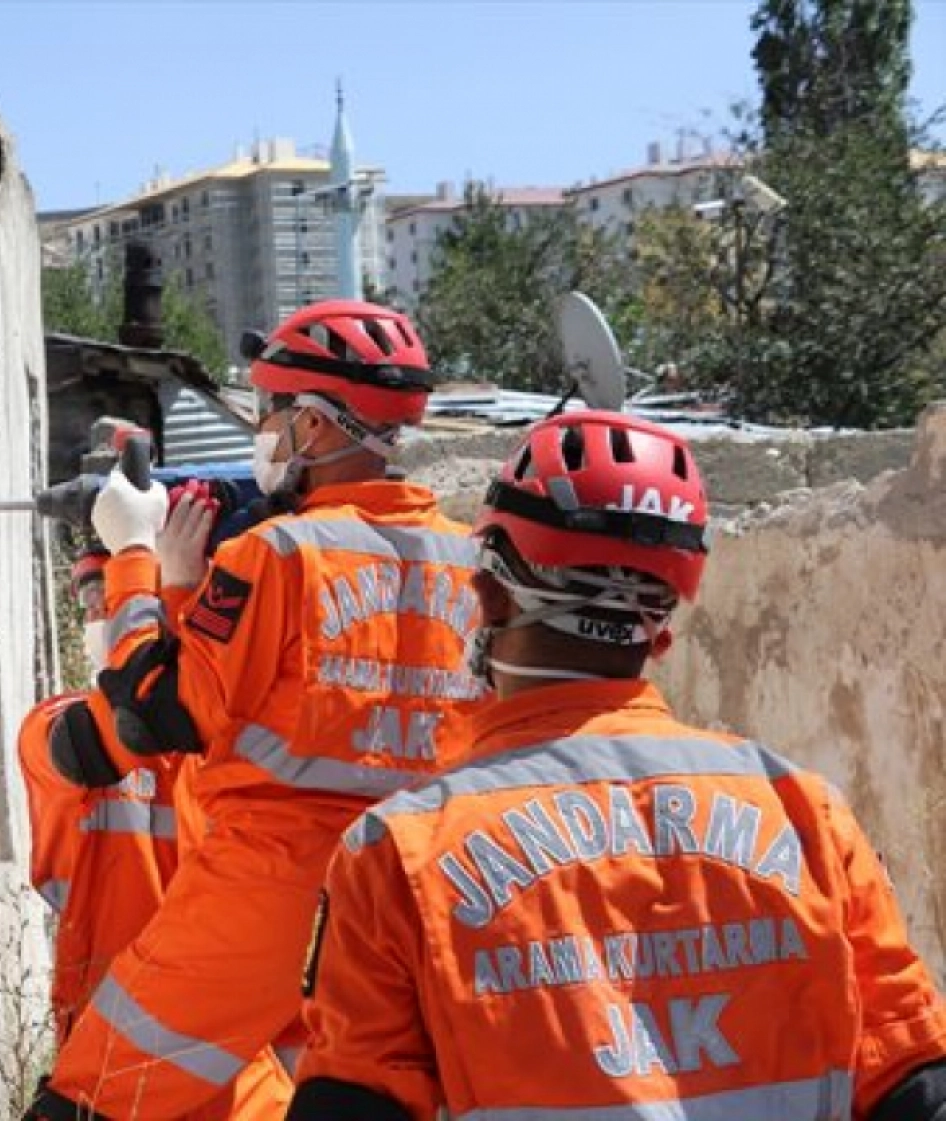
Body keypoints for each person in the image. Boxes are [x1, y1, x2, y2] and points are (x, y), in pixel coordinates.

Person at [290, 409, 946, 1120]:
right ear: (661, 632)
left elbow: (352, 1101)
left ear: (490, 595)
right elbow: (913, 1083)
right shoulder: (804, 812)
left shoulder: (398, 851)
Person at [25, 299, 487, 1119]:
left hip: (263, 900)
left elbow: (148, 719)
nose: (261, 428)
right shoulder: (468, 567)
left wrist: (134, 558)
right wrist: (185, 585)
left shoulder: (272, 555)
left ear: (311, 426)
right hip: (405, 908)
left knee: (97, 1097)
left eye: (269, 410)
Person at [19, 545, 293, 1120]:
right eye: (91, 600)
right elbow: (103, 738)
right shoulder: (60, 730)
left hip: (216, 1086)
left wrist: (137, 568)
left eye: (106, 600)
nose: (97, 614)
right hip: (120, 1073)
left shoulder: (240, 743)